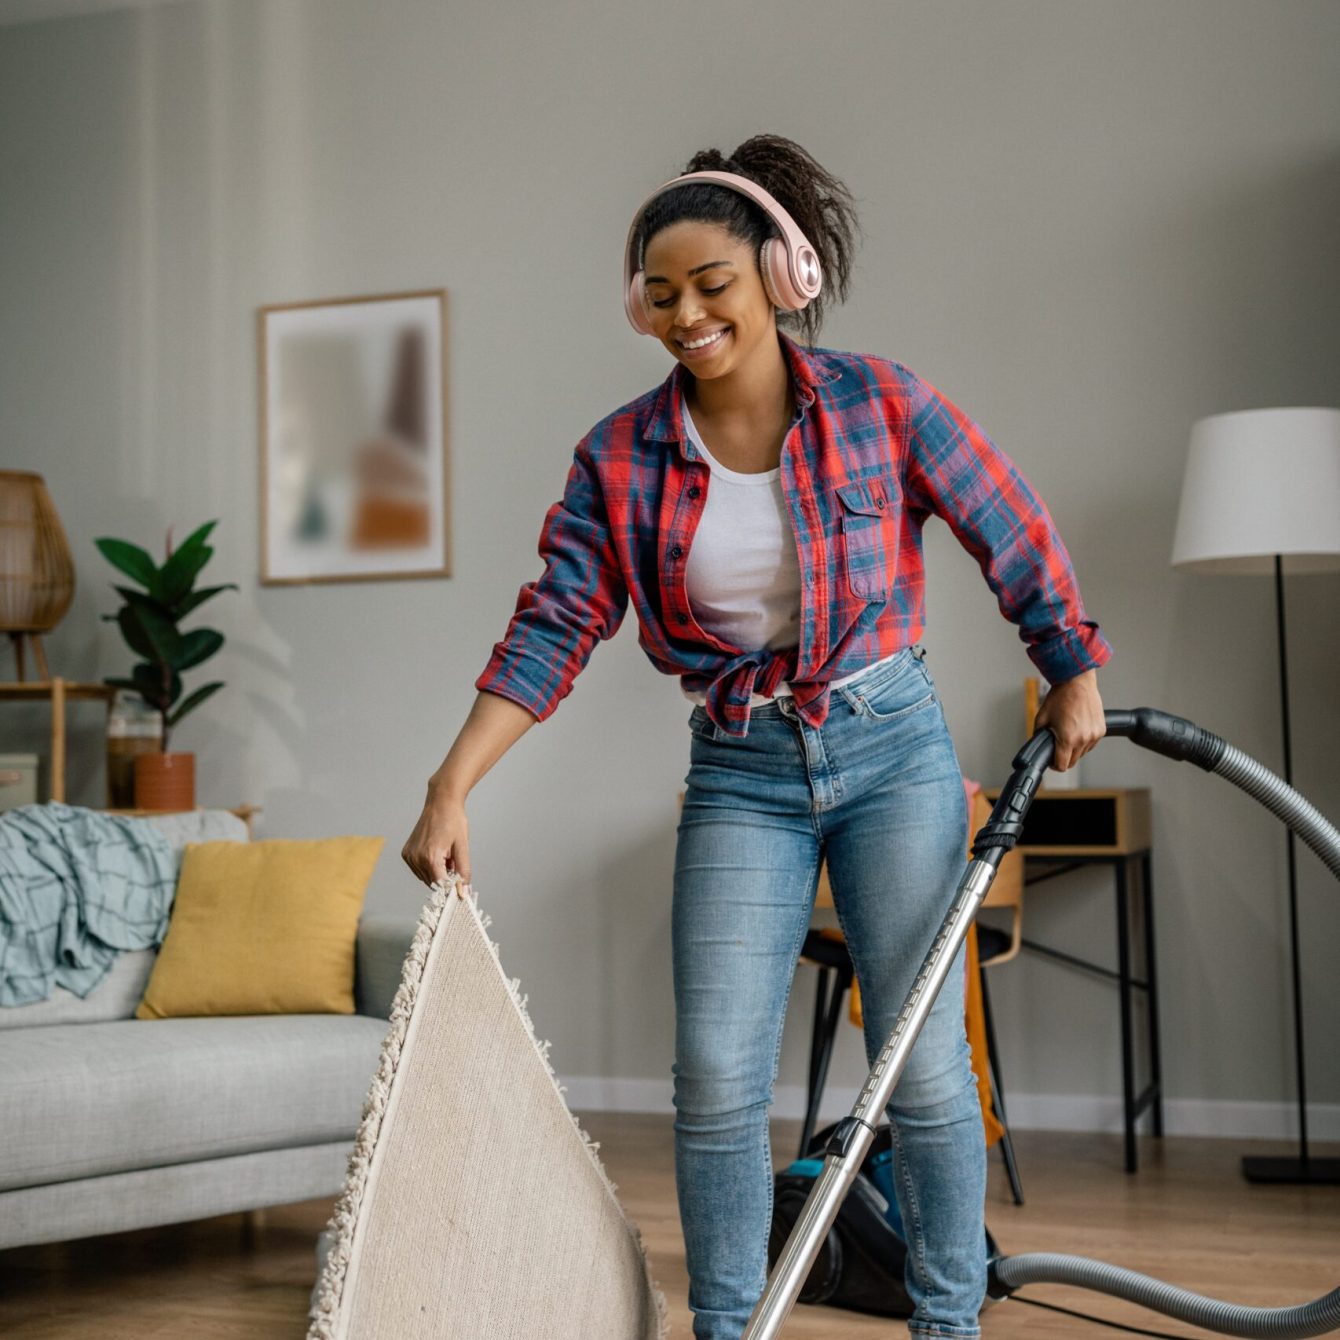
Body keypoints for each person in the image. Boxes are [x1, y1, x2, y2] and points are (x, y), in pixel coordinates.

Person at [402, 133, 1110, 1340]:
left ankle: (949, 1321)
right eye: (660, 294)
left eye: (711, 286)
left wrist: (1069, 666)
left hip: (892, 750)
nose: (685, 314)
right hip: (740, 769)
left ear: (782, 277)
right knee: (719, 1078)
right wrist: (450, 781)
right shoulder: (619, 458)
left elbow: (1008, 521)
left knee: (922, 1063)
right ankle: (726, 1326)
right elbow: (552, 624)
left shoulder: (883, 403)